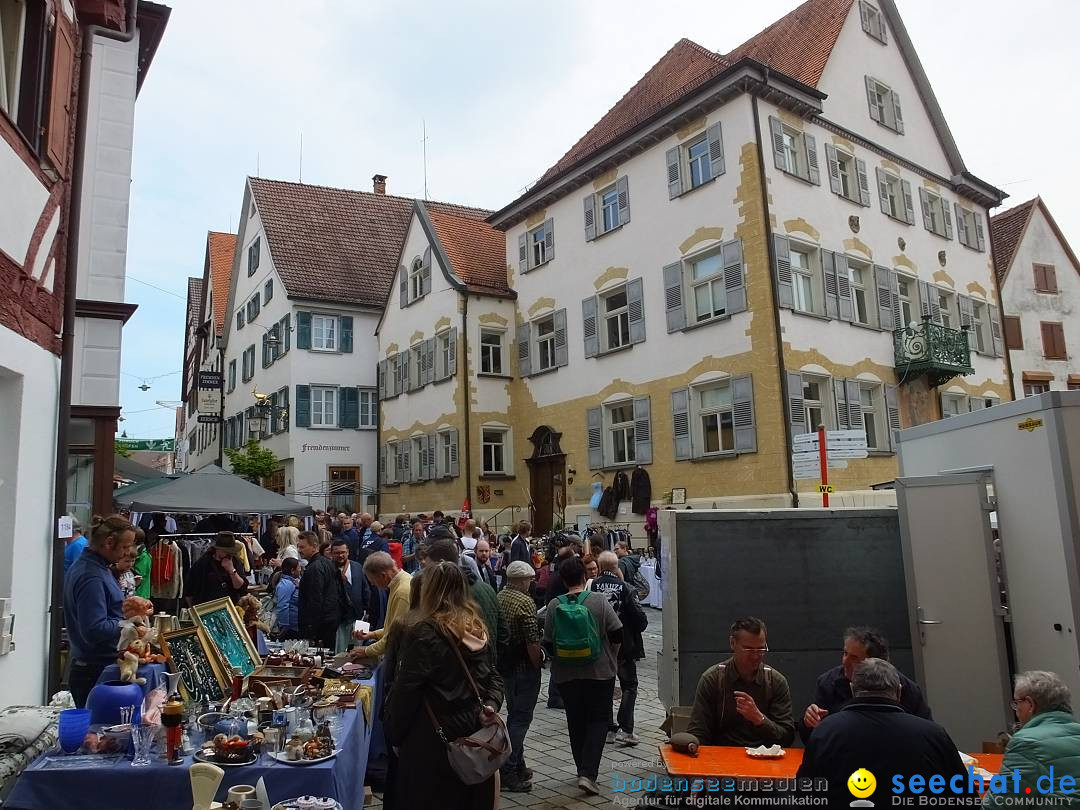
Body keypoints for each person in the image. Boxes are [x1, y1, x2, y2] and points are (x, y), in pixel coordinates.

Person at [384, 562, 503, 809]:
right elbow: (494, 675)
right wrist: (490, 704)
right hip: (472, 729)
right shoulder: (475, 625)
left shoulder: (425, 632)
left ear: (430, 591)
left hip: (432, 736)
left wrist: (394, 733)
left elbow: (406, 689)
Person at [797, 658, 966, 806]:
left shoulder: (825, 732)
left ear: (852, 690)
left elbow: (803, 796)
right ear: (899, 692)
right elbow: (964, 800)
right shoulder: (934, 735)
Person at [543, 556, 623, 796]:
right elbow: (617, 632)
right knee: (598, 719)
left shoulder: (554, 605)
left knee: (575, 720)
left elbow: (548, 642)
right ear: (585, 576)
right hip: (600, 672)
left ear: (563, 579)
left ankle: (581, 769)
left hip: (566, 675)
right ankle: (589, 773)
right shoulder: (598, 601)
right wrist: (611, 654)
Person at [64, 515, 151, 706]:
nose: (128, 552)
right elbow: (94, 629)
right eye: (125, 547)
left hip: (95, 669)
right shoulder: (91, 576)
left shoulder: (97, 569)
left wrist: (127, 607)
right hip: (94, 672)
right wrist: (128, 620)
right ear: (109, 543)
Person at [799, 626, 931, 744]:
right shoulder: (828, 682)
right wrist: (808, 723)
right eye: (845, 653)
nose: (845, 661)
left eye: (854, 658)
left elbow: (927, 734)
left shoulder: (907, 688)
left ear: (875, 663)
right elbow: (812, 740)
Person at [686, 616, 795, 747]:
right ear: (733, 643)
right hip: (721, 756)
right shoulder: (713, 679)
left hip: (764, 758)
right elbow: (698, 732)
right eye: (749, 649)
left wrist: (759, 719)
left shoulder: (775, 682)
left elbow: (787, 738)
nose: (755, 656)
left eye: (760, 650)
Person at [989, 671, 1080, 804]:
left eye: (1017, 703)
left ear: (1030, 704)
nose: (1016, 711)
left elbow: (998, 805)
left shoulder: (1026, 743)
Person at [496, 561, 543, 793]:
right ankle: (508, 770)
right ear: (520, 580)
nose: (531, 583)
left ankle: (519, 765)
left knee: (514, 715)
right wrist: (539, 664)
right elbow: (532, 641)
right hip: (524, 667)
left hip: (505, 667)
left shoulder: (499, 596)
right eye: (529, 579)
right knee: (520, 720)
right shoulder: (525, 602)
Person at [592, 550, 647, 746]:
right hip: (624, 645)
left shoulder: (592, 586)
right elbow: (640, 620)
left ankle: (608, 729)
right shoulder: (625, 587)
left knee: (606, 686)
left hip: (600, 646)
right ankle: (626, 729)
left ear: (599, 567)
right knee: (629, 686)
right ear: (616, 567)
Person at [352, 551, 412, 660]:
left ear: (383, 576)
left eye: (373, 581)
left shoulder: (402, 592)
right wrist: (372, 634)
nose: (374, 585)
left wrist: (366, 651)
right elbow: (392, 627)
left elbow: (395, 636)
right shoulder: (399, 585)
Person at [296, 530, 345, 649]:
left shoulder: (315, 568)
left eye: (302, 547)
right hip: (330, 618)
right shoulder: (327, 563)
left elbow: (315, 599)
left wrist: (311, 629)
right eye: (298, 547)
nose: (299, 550)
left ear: (314, 547)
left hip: (321, 623)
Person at [186, 532, 249, 606]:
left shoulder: (234, 561)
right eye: (227, 551)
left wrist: (231, 570)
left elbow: (241, 588)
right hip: (207, 608)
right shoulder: (203, 563)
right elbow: (189, 590)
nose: (229, 554)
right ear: (218, 549)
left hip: (231, 608)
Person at [331, 537, 370, 653]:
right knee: (340, 651)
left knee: (358, 650)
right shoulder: (329, 569)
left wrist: (367, 609)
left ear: (348, 552)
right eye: (337, 553)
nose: (340, 555)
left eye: (343, 552)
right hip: (340, 619)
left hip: (358, 616)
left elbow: (365, 588)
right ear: (332, 554)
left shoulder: (357, 566)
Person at [274, 557, 301, 638]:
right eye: (299, 568)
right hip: (289, 627)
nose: (300, 570)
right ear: (292, 570)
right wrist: (284, 625)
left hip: (296, 625)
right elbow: (282, 605)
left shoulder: (294, 582)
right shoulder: (286, 584)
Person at [132, 531, 151, 599]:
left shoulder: (144, 556)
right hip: (136, 594)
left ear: (134, 540)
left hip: (140, 594)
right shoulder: (139, 554)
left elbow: (139, 575)